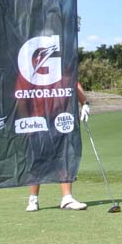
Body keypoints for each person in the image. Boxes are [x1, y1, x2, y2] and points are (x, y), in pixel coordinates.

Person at [25, 82, 91, 212]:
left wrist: (85, 103)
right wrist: (24, 121)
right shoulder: (28, 73)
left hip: (61, 118)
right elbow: (21, 97)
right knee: (37, 159)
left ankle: (67, 198)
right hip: (36, 119)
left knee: (64, 156)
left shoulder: (63, 72)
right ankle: (33, 199)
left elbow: (74, 82)